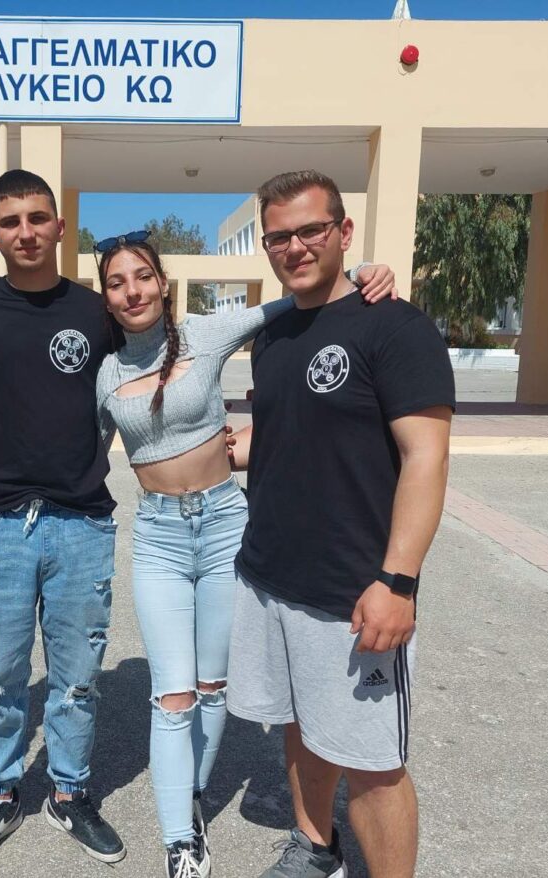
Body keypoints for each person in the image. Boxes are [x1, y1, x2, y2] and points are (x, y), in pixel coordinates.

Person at [93, 231, 395, 878]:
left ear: (162, 283)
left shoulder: (205, 334)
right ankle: (181, 840)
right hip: (159, 539)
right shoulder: (107, 374)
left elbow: (298, 300)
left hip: (227, 525)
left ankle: (192, 797)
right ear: (106, 297)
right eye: (117, 283)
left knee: (212, 687)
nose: (132, 291)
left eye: (142, 277)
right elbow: (77, 456)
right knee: (172, 696)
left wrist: (366, 271)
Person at [225, 170, 455, 878]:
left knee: (373, 762)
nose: (295, 247)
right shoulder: (274, 335)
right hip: (270, 575)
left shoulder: (396, 326)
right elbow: (288, 430)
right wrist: (217, 449)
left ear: (344, 232)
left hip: (356, 591)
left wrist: (397, 581)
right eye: (279, 237)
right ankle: (314, 843)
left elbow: (426, 456)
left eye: (311, 230)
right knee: (301, 722)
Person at [0, 170, 126, 873]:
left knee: (77, 678)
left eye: (38, 218)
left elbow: (158, 353)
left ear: (59, 226)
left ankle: (69, 794)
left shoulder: (96, 311)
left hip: (83, 521)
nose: (26, 232)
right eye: (10, 221)